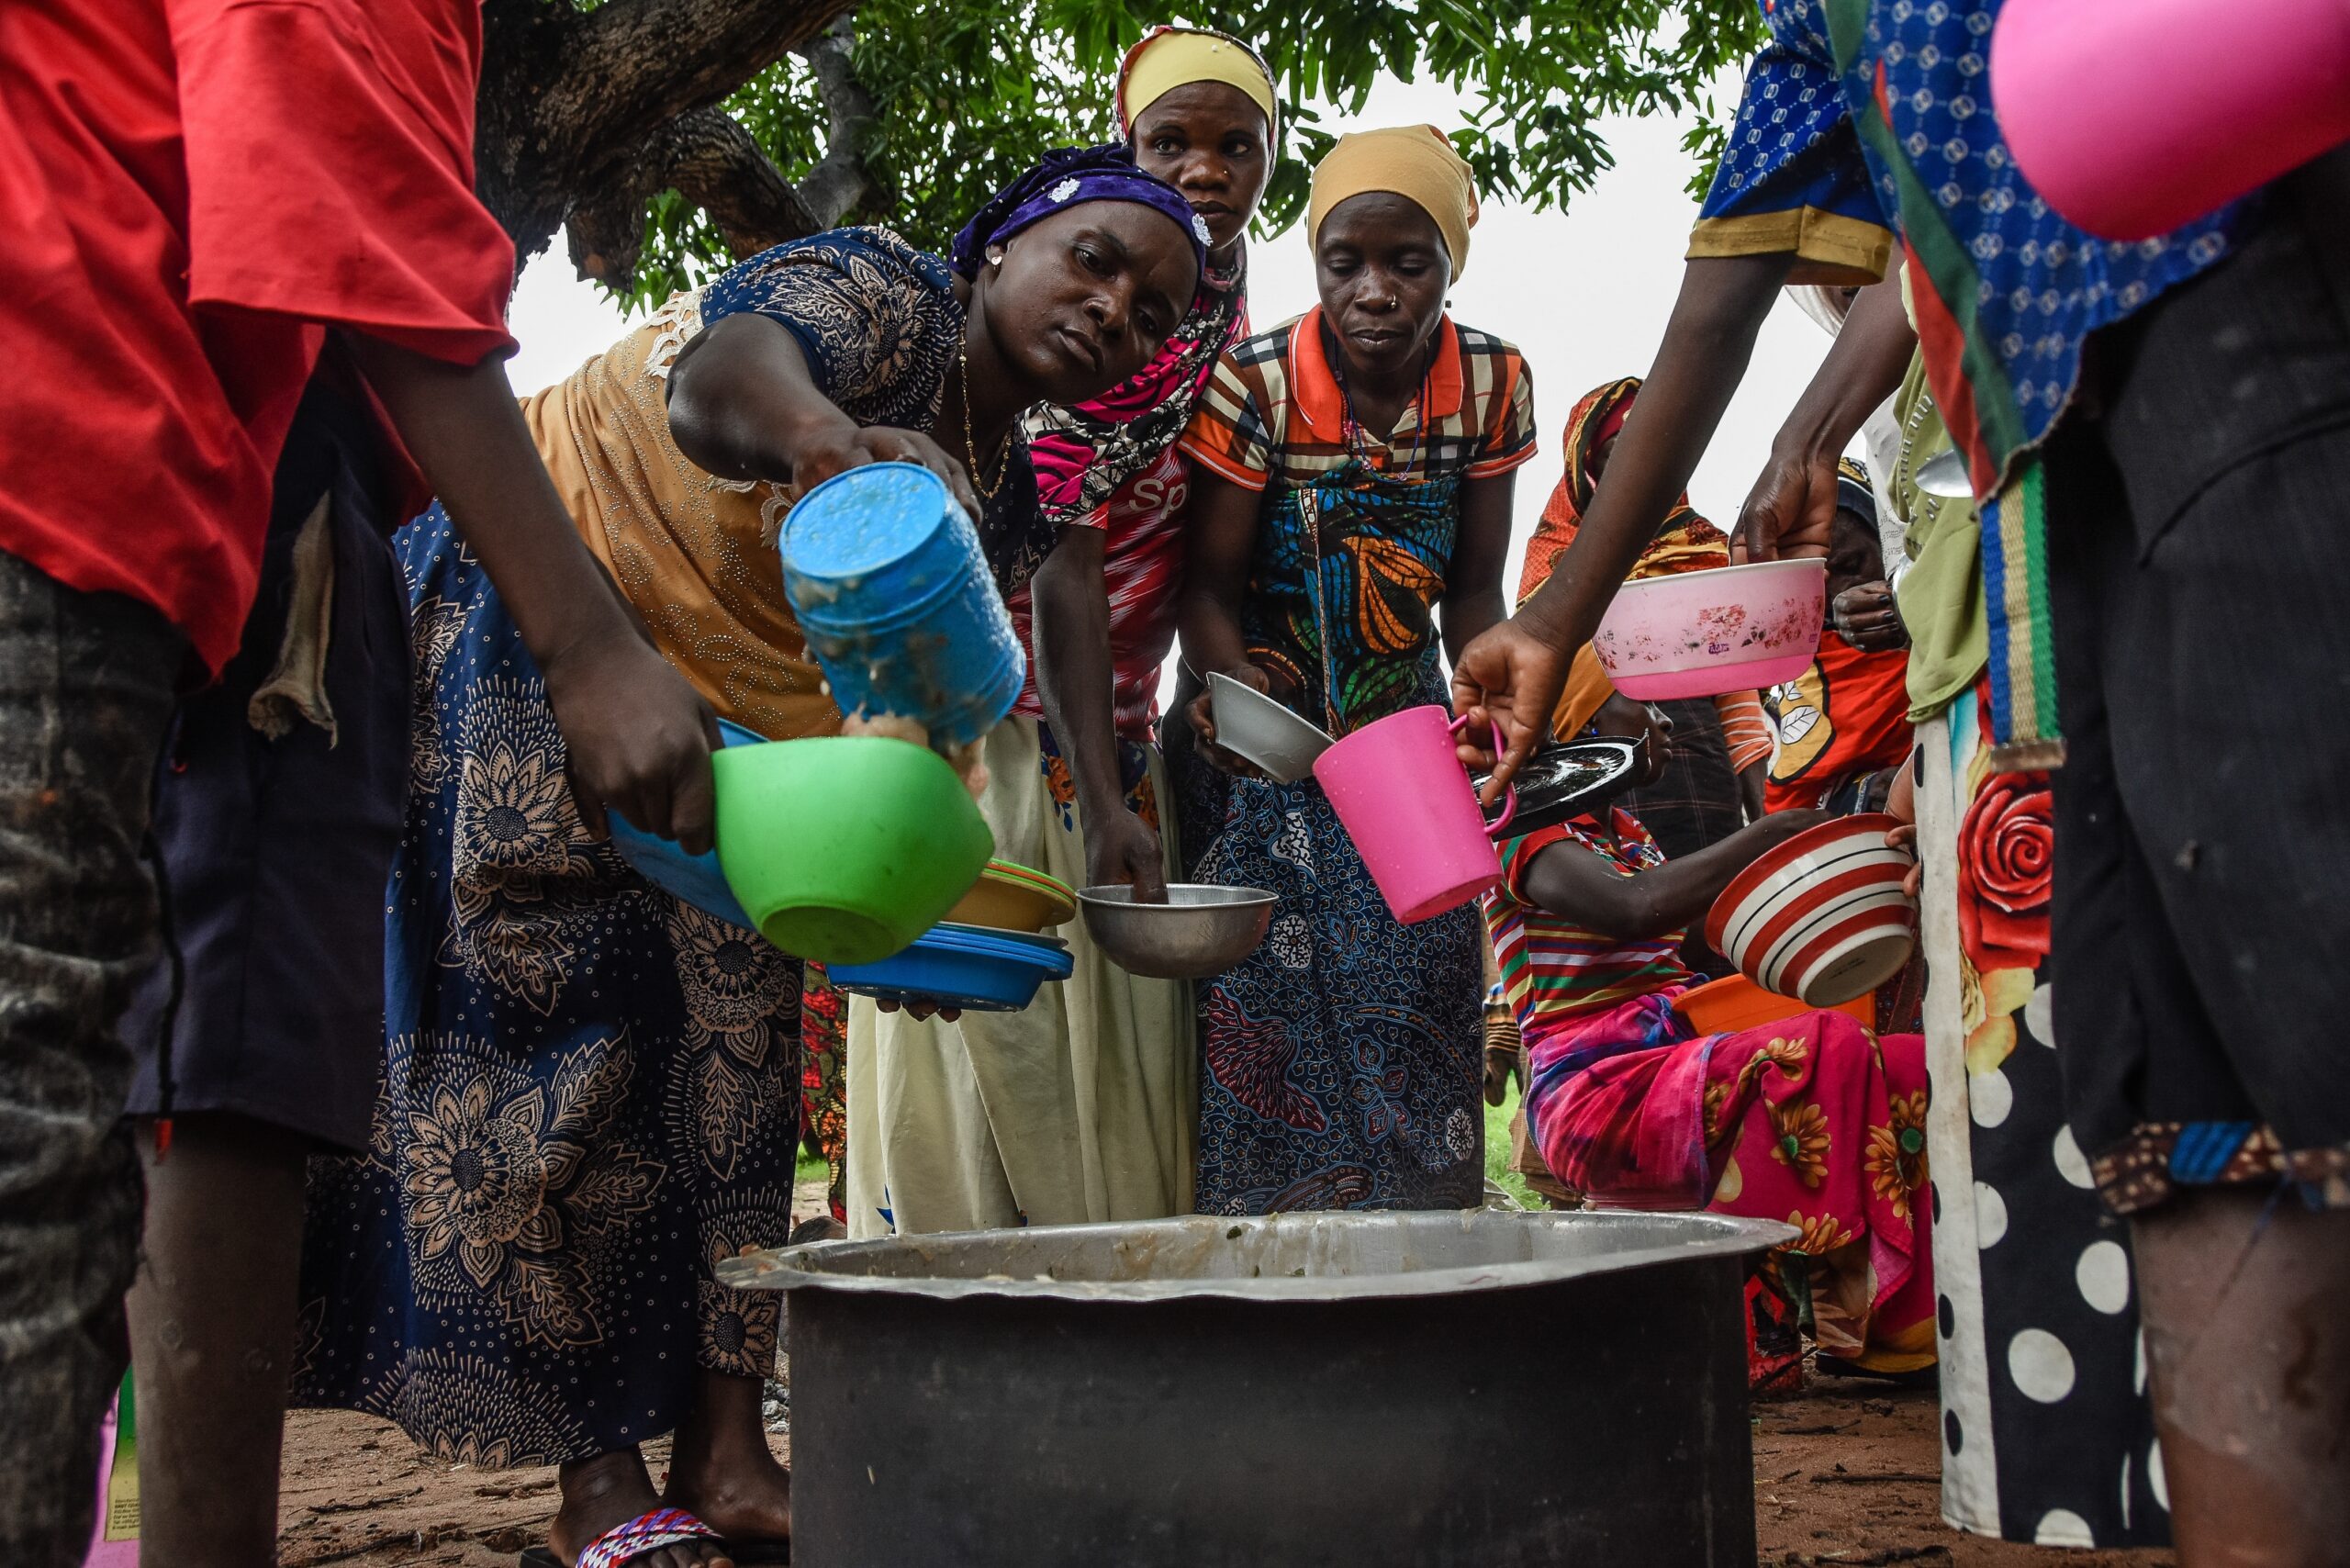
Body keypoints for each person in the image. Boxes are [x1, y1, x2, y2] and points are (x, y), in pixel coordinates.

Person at [1448, 0, 2350, 1551]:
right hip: (2062, 463)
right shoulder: (1819, 30)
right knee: (2175, 1065)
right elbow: (1725, 298)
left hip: (2268, 345)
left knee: (2310, 967)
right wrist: (1556, 619)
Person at [294, 152, 1204, 1568]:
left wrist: (904, 908)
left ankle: (726, 1453)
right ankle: (597, 1489)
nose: (1115, 309)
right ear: (995, 250)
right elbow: (717, 376)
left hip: (734, 727)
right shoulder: (883, 293)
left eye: (1152, 311)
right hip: (544, 612)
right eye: (1093, 258)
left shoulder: (1008, 483)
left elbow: (928, 712)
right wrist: (823, 439)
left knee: (737, 1044)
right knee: (551, 1032)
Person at [0, 6, 718, 1564]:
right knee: (89, 1102)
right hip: (82, 404)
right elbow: (332, 192)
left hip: (135, 412)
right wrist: (589, 643)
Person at [847, 27, 1276, 1238]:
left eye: (1235, 147)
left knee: (1091, 1023)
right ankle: (963, 1272)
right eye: (1170, 143)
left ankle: (1102, 1283)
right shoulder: (1085, 295)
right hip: (1001, 715)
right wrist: (1098, 775)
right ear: (1121, 148)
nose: (1204, 171)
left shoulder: (1201, 317)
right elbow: (1061, 555)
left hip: (1114, 719)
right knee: (993, 1010)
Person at [1172, 125, 1534, 1213]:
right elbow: (1207, 591)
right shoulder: (1256, 381)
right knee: (1270, 995)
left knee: (1423, 974)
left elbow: (1472, 589)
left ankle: (1425, 1242)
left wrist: (1487, 694)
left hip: (1406, 727)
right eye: (1345, 263)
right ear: (1316, 262)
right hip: (1267, 720)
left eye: (1406, 263)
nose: (1373, 290)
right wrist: (1238, 706)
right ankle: (1273, 1265)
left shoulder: (1490, 380)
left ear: (1450, 264)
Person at [1489, 693, 1934, 1375]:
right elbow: (1634, 909)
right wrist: (1766, 835)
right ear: (1578, 727)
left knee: (1910, 1065)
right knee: (1824, 1049)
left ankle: (1898, 1334)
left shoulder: (1628, 836)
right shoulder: (1531, 838)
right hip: (1598, 1091)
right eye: (1643, 708)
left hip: (1670, 1057)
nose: (1667, 723)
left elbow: (1692, 945)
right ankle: (1764, 1324)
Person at [1518, 375, 1774, 972]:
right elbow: (1536, 706)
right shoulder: (1552, 568)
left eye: (1655, 452)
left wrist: (1764, 815)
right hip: (1593, 778)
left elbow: (1738, 698)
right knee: (1628, 945)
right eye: (1615, 456)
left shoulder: (1708, 555)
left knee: (1716, 940)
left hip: (1699, 777)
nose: (1638, 472)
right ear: (1584, 466)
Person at [1760, 459, 1912, 816]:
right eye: (1816, 581)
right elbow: (1787, 806)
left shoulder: (1932, 612)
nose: (1841, 595)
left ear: (1885, 543)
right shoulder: (1787, 663)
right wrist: (1867, 794)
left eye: (1852, 566)